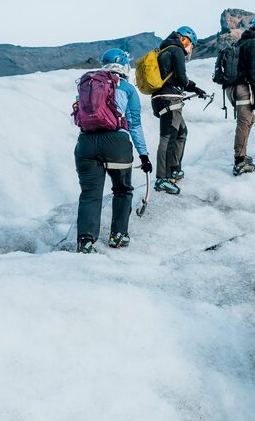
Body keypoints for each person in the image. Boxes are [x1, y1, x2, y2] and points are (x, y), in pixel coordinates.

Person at [74, 48, 151, 253]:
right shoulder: (126, 88)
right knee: (122, 189)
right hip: (116, 142)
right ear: (124, 65)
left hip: (86, 144)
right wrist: (144, 155)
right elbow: (134, 124)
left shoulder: (89, 85)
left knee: (90, 193)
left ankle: (85, 241)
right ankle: (118, 236)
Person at [152, 26, 208, 195]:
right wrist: (194, 87)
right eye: (192, 45)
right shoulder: (176, 50)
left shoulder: (165, 50)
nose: (191, 49)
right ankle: (162, 178)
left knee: (181, 132)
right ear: (185, 39)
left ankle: (174, 169)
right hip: (170, 98)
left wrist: (195, 88)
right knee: (168, 137)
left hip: (160, 98)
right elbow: (181, 79)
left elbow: (176, 77)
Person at [225, 12, 255, 176]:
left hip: (231, 88)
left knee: (247, 121)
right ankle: (239, 162)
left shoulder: (242, 42)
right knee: (244, 123)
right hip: (242, 88)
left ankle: (242, 154)